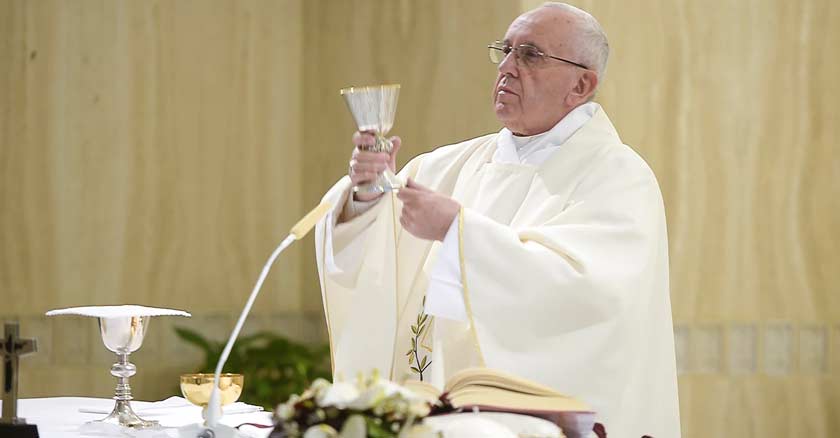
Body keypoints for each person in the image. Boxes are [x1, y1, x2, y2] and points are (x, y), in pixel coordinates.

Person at [313, 3, 680, 437]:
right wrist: (365, 193)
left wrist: (457, 231)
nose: (507, 67)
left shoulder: (618, 176)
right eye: (505, 50)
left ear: (582, 84)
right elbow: (369, 255)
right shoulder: (447, 166)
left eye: (530, 55)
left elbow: (590, 295)